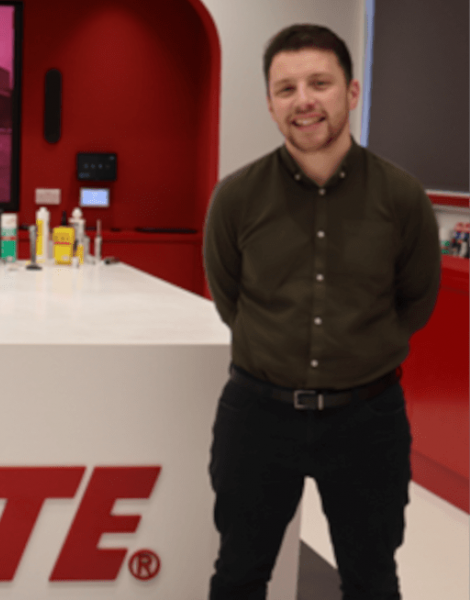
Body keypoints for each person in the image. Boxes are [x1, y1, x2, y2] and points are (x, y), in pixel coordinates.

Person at [202, 24, 441, 600]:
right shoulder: (235, 197)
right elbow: (228, 296)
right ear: (269, 103)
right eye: (286, 89)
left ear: (352, 93)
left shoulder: (402, 197)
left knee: (371, 580)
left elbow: (417, 300)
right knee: (238, 575)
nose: (303, 100)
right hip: (258, 416)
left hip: (367, 420)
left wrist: (353, 355)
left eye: (319, 83)